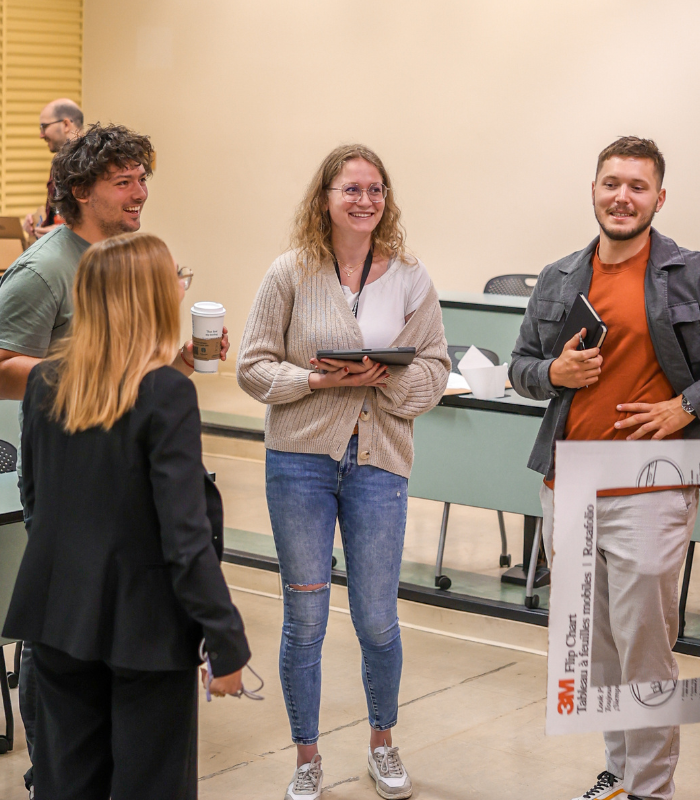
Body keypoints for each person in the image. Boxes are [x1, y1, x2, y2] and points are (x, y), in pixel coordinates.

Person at [0, 122, 225, 798]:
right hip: (75, 506)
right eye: (124, 181)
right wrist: (109, 373)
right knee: (69, 700)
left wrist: (157, 366)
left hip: (127, 516)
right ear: (81, 190)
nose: (139, 192)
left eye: (142, 178)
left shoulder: (126, 255)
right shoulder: (43, 269)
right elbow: (5, 372)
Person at [509, 136, 700, 800]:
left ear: (659, 199)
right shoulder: (559, 277)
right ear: (593, 191)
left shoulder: (698, 275)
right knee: (597, 652)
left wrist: (687, 406)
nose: (622, 196)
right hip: (569, 485)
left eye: (637, 186)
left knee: (644, 647)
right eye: (611, 183)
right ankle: (621, 771)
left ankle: (651, 790)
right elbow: (520, 365)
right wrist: (552, 372)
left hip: (655, 481)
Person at [237, 144, 449, 800]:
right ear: (324, 198)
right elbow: (252, 366)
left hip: (379, 463)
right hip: (298, 462)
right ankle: (307, 757)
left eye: (375, 190)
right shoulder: (290, 273)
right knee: (305, 618)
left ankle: (382, 743)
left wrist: (382, 381)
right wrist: (313, 378)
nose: (364, 201)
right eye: (350, 189)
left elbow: (436, 372)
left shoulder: (411, 276)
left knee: (378, 617)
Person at [23, 98, 83, 239]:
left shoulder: (94, 163)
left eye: (44, 127)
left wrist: (67, 232)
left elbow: (101, 218)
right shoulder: (59, 162)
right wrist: (38, 223)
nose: (41, 135)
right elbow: (60, 215)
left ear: (66, 124)